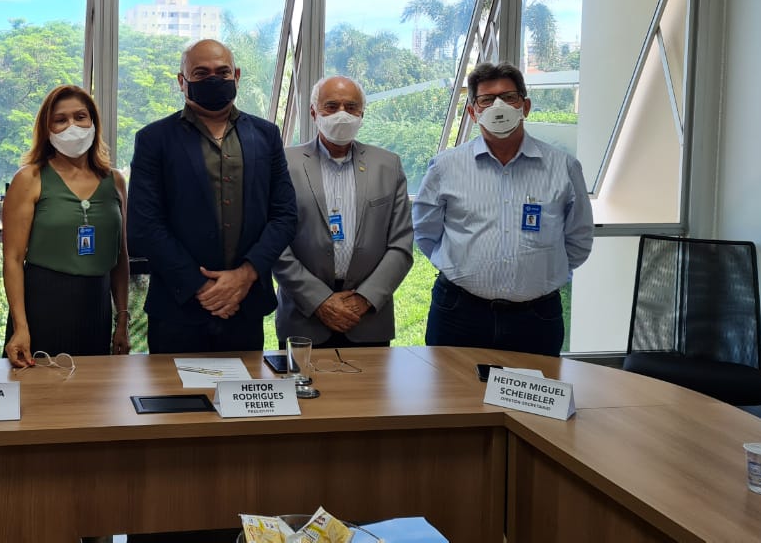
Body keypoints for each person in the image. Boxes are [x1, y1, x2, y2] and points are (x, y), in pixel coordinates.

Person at [127, 39, 297, 354]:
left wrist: (245, 276)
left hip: (245, 306)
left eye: (222, 72)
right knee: (173, 388)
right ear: (182, 81)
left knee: (244, 386)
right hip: (177, 309)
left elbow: (284, 215)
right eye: (201, 73)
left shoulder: (266, 135)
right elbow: (144, 226)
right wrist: (203, 287)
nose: (213, 79)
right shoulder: (154, 139)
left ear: (237, 75)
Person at [413, 62, 594, 356]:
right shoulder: (445, 167)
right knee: (451, 386)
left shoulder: (564, 167)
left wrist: (540, 277)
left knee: (532, 387)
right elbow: (425, 232)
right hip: (459, 312)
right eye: (486, 100)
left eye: (509, 97)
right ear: (473, 112)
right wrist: (461, 267)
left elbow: (579, 238)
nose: (499, 106)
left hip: (536, 317)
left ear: (525, 106)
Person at [273, 75, 413, 349]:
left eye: (351, 107)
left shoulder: (388, 165)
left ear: (362, 114)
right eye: (331, 106)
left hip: (368, 318)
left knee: (370, 381)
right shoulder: (284, 164)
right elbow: (275, 243)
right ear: (313, 112)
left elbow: (401, 244)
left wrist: (364, 299)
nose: (342, 114)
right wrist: (319, 301)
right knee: (303, 380)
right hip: (304, 317)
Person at [2, 86, 130, 366]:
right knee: (38, 389)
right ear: (47, 129)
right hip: (43, 306)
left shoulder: (116, 181)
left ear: (93, 122)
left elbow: (120, 258)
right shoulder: (30, 178)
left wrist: (122, 318)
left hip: (97, 307)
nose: (72, 126)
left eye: (80, 117)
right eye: (60, 120)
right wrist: (20, 326)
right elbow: (12, 259)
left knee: (93, 388)